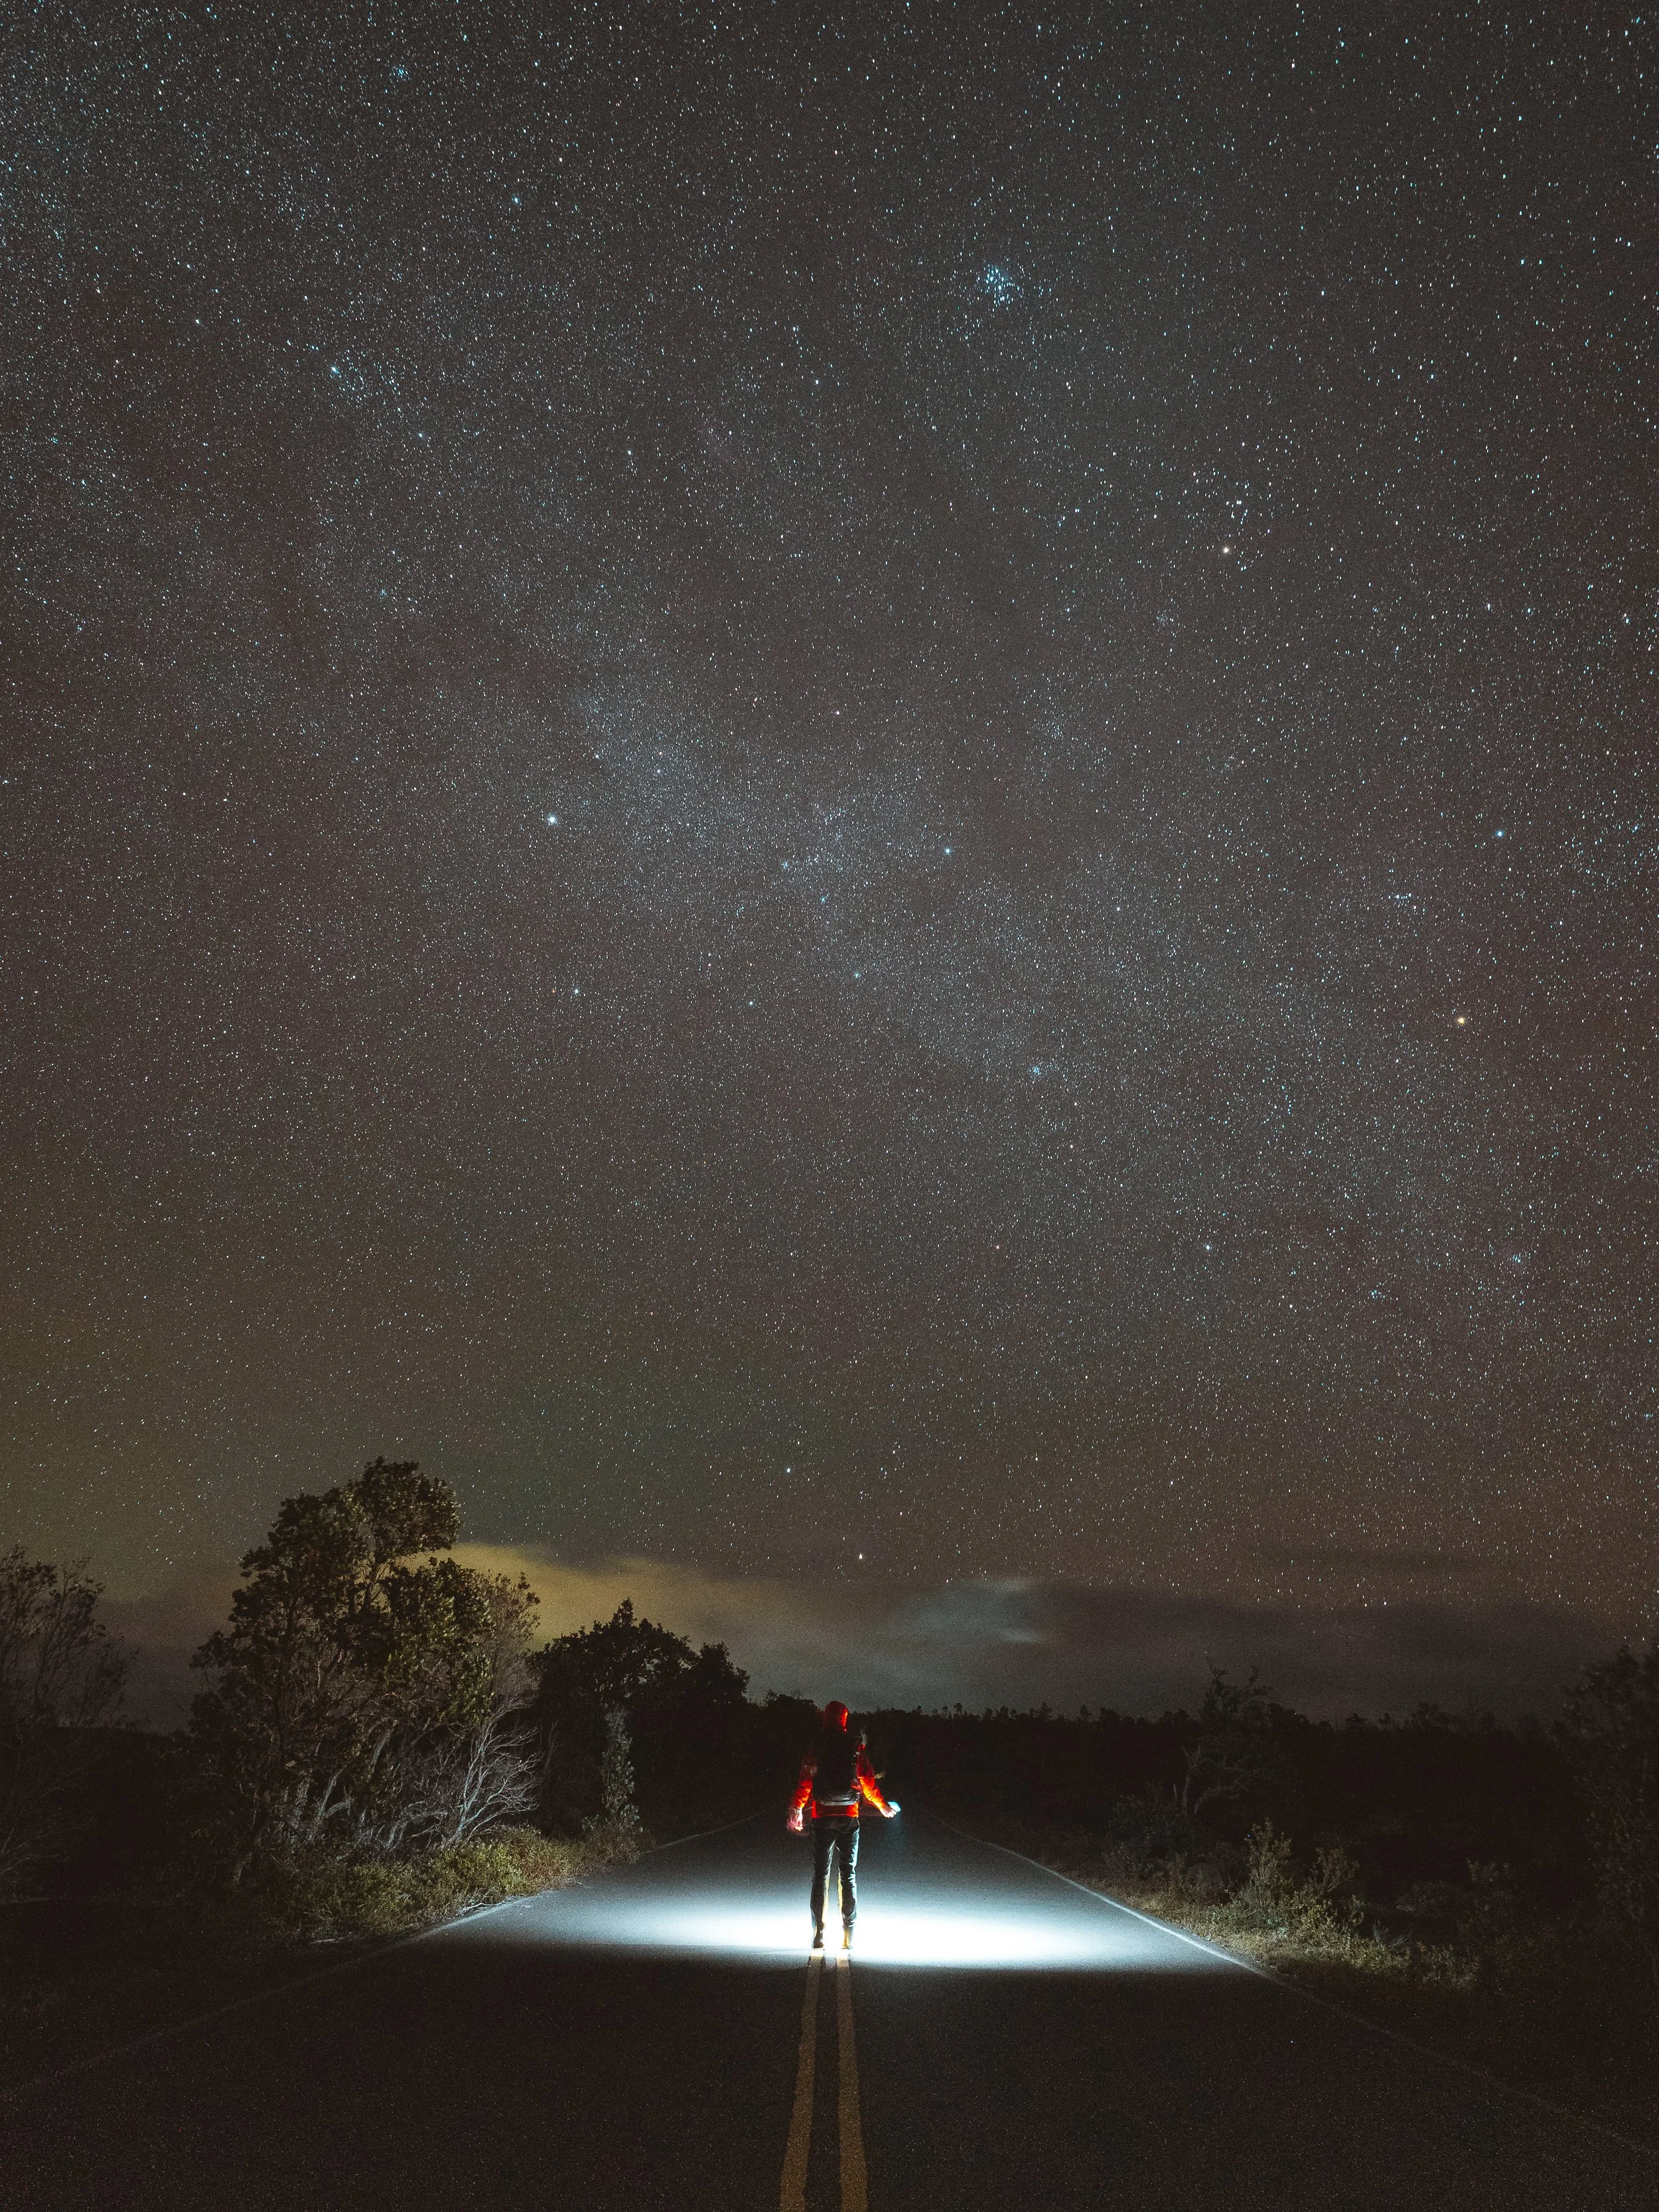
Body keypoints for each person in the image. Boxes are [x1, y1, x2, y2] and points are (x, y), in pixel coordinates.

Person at [786, 1700, 899, 1950]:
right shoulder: (853, 1745)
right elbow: (867, 1781)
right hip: (849, 1815)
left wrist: (797, 1808)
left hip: (822, 1815)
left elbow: (806, 1780)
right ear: (845, 1719)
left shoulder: (816, 1746)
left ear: (826, 1719)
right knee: (848, 1874)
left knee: (820, 1875)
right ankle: (848, 1934)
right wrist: (882, 1806)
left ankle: (819, 1934)